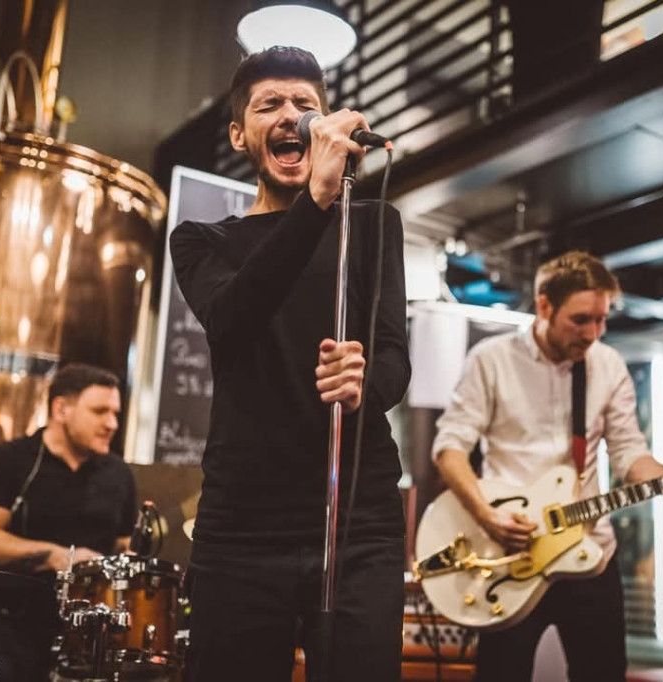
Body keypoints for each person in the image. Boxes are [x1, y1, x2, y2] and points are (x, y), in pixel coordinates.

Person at [169, 46, 410, 682]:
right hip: (243, 525)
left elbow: (393, 357)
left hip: (358, 522)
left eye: (305, 104)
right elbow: (234, 318)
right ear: (238, 135)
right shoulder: (202, 241)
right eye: (268, 104)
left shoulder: (374, 225)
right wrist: (318, 200)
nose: (289, 115)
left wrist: (364, 384)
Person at [432, 251, 663, 682]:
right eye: (580, 320)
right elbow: (450, 448)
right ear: (544, 306)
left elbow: (629, 453)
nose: (593, 333)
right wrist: (486, 515)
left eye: (601, 319)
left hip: (590, 553)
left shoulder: (606, 365)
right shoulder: (491, 359)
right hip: (511, 551)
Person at [0, 363, 137, 680]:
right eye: (99, 411)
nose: (111, 424)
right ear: (61, 409)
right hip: (10, 621)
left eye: (115, 414)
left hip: (89, 632)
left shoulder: (119, 474)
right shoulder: (8, 461)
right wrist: (61, 557)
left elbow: (122, 543)